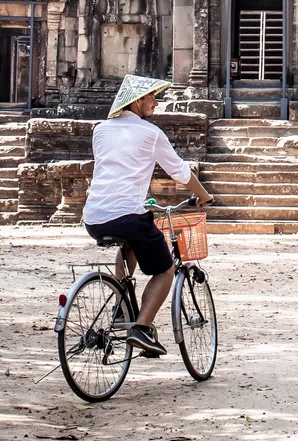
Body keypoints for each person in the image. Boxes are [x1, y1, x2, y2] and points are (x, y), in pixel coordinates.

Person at [82, 74, 213, 357]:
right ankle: (141, 327)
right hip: (127, 214)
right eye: (151, 97)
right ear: (137, 102)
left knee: (130, 241)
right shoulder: (151, 133)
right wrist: (203, 195)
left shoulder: (100, 130)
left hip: (93, 217)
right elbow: (179, 171)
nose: (155, 102)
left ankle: (120, 307)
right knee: (165, 270)